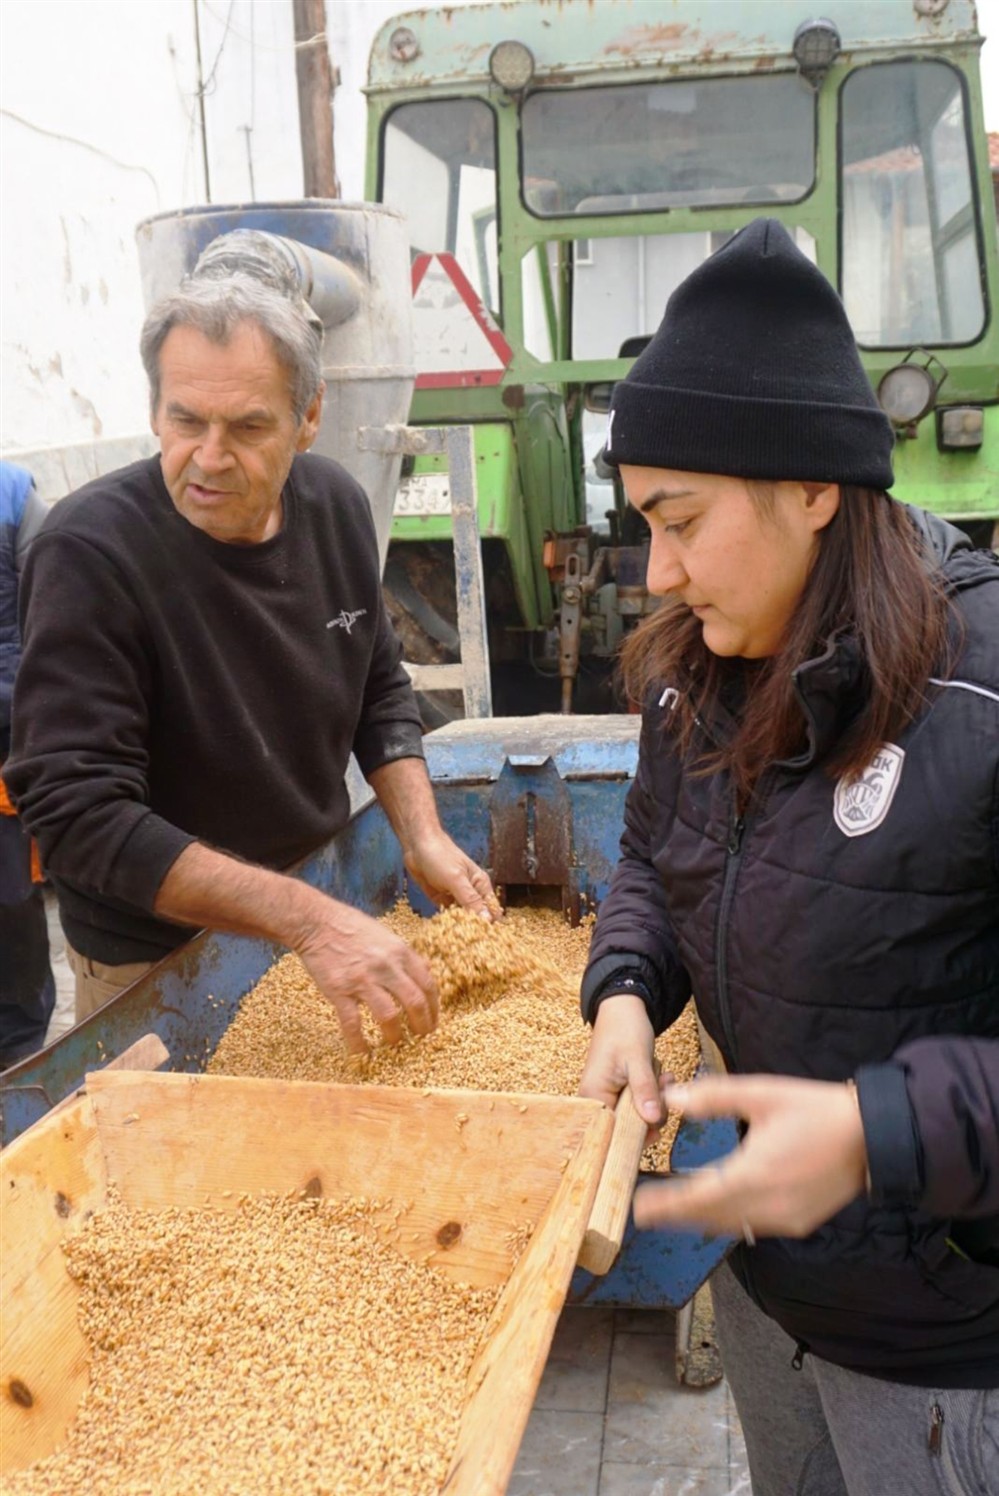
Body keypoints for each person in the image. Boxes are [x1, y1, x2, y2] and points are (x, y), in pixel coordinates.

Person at [577, 219, 998, 1494]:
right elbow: (654, 853)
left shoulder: (977, 698)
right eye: (643, 519)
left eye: (682, 518)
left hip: (939, 1354)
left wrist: (876, 1129)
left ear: (814, 488)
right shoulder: (696, 677)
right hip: (768, 1286)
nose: (658, 569)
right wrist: (626, 989)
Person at [5, 271, 496, 1052]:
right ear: (154, 410)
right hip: (157, 956)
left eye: (247, 427)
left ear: (309, 418)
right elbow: (78, 819)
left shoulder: (334, 505)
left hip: (313, 910)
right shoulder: (89, 552)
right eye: (185, 419)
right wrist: (309, 920)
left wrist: (420, 833)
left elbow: (376, 686)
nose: (208, 457)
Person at [0, 460, 56, 1066]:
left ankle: (20, 1067)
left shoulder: (13, 497)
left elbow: (52, 622)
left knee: (11, 902)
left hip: (6, 744)